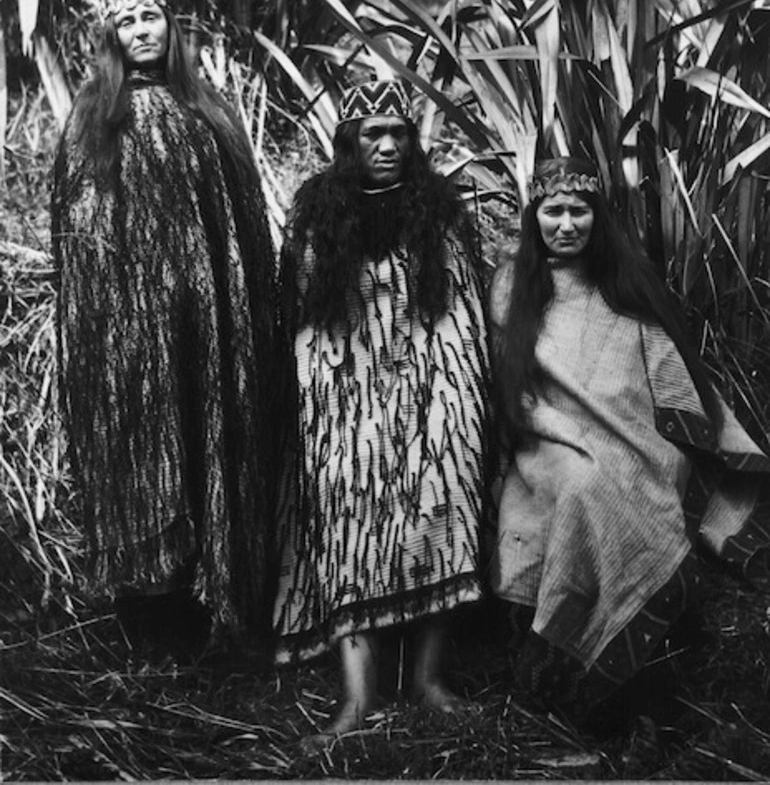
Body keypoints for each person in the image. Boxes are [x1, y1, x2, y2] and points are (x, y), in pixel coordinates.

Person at [489, 155, 770, 719]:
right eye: (553, 211)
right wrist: (559, 428)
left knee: (634, 483)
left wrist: (658, 426)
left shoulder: (622, 278)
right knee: (584, 489)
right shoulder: (510, 284)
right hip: (544, 435)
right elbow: (509, 378)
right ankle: (561, 672)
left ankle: (639, 681)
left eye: (579, 211)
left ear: (597, 217)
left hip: (633, 432)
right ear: (534, 215)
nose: (566, 224)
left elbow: (661, 363)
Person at [51, 0, 276, 643]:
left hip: (205, 325)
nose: (143, 30)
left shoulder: (208, 115)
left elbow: (241, 230)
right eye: (127, 23)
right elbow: (81, 237)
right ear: (111, 39)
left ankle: (215, 612)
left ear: (171, 28)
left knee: (206, 438)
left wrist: (225, 309)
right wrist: (121, 318)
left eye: (152, 17)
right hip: (127, 336)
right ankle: (150, 623)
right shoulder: (92, 121)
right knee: (143, 455)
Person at [273, 79, 491, 742]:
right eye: (374, 133)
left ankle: (427, 680)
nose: (390, 145)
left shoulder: (439, 210)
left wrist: (454, 400)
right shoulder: (318, 211)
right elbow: (304, 317)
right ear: (350, 142)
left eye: (399, 132)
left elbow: (460, 313)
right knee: (347, 524)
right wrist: (331, 403)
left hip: (430, 390)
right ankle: (357, 699)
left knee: (441, 509)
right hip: (345, 400)